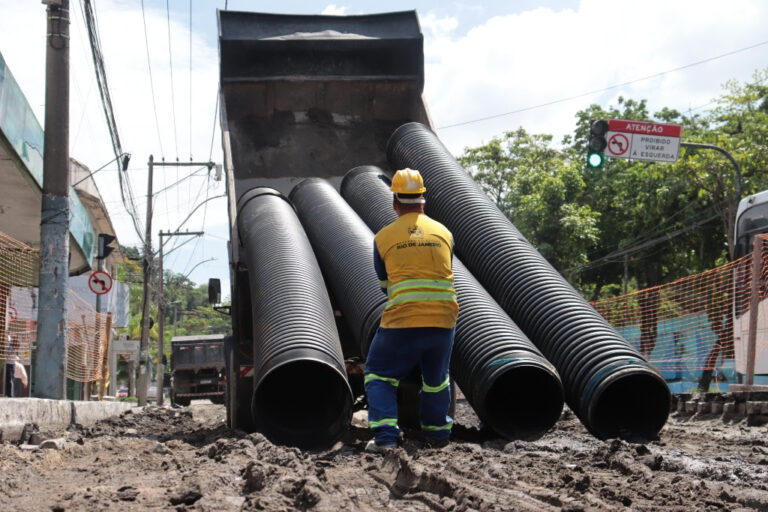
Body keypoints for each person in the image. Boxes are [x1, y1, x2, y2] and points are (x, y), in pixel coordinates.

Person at [364, 168, 459, 453]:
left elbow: (385, 285)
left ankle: (385, 439)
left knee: (379, 375)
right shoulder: (444, 233)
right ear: (423, 201)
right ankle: (439, 434)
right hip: (444, 317)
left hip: (404, 318)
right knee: (436, 378)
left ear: (395, 202)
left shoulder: (383, 238)